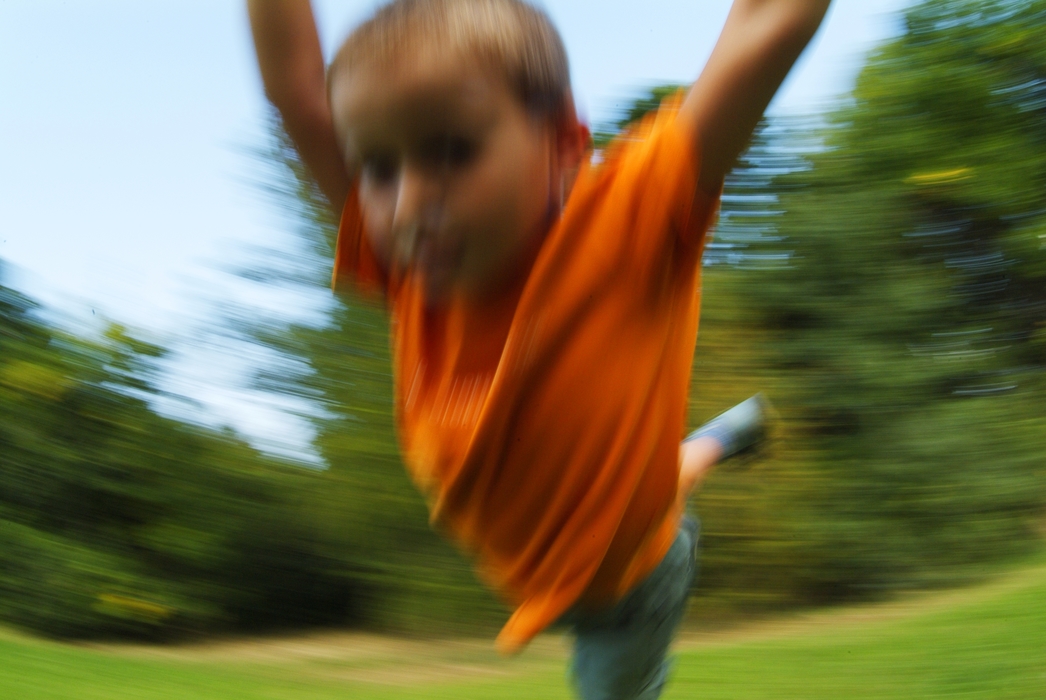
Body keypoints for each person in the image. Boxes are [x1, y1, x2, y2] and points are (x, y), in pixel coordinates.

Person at [248, 1, 829, 697]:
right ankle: (720, 438)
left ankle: (706, 447)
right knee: (664, 473)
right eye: (376, 167)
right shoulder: (410, 271)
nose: (406, 207)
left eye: (452, 151)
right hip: (583, 537)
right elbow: (297, 93)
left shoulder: (630, 216)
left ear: (561, 143)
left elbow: (770, 22)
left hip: (629, 588)